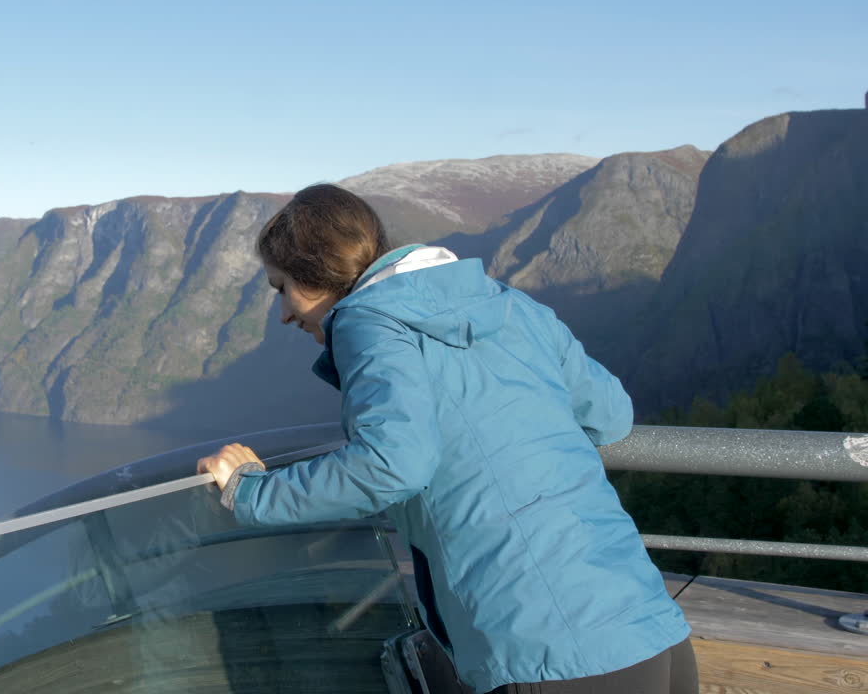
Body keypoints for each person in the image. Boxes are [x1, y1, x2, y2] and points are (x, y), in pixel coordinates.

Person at [197, 184, 698, 694]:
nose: (283, 313)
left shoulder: (368, 322)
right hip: (650, 629)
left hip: (547, 650)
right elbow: (611, 415)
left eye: (280, 287)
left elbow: (393, 463)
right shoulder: (507, 303)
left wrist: (250, 491)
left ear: (313, 271)